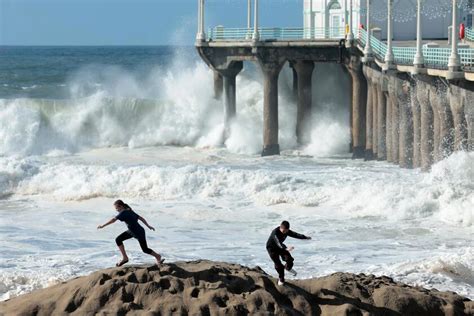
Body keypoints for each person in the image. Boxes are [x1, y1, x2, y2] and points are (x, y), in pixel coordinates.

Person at [97, 200, 163, 267]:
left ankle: (158, 256)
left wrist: (103, 226)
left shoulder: (123, 213)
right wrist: (148, 226)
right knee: (118, 239)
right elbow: (141, 218)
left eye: (117, 208)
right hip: (132, 231)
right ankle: (125, 258)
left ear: (121, 206)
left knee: (145, 249)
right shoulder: (129, 211)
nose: (116, 210)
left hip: (138, 232)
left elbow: (113, 220)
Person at [266, 220, 311, 286]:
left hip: (281, 247)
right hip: (272, 249)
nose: (284, 232)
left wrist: (305, 237)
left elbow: (295, 234)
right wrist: (286, 248)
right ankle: (281, 279)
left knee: (289, 259)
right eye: (283, 231)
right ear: (280, 227)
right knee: (278, 265)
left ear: (287, 229)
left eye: (286, 231)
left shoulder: (287, 231)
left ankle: (287, 268)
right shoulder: (275, 232)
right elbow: (278, 242)